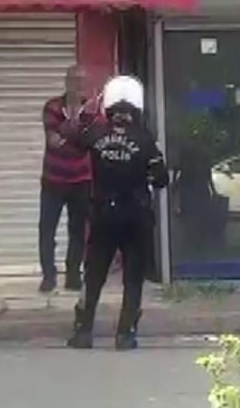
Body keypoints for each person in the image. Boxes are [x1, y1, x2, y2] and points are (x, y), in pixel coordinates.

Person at [61, 75, 169, 350]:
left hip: (103, 215)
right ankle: (125, 334)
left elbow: (71, 138)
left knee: (94, 273)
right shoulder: (145, 140)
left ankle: (83, 332)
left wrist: (85, 113)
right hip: (136, 216)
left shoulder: (95, 134)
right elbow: (161, 179)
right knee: (133, 277)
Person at [38, 66, 92, 293]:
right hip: (54, 179)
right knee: (47, 229)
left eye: (82, 81)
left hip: (81, 179)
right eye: (74, 80)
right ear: (66, 82)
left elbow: (90, 140)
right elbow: (53, 141)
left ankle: (73, 276)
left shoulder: (91, 110)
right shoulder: (52, 107)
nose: (78, 85)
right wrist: (73, 128)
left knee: (78, 230)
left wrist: (69, 132)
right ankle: (48, 276)